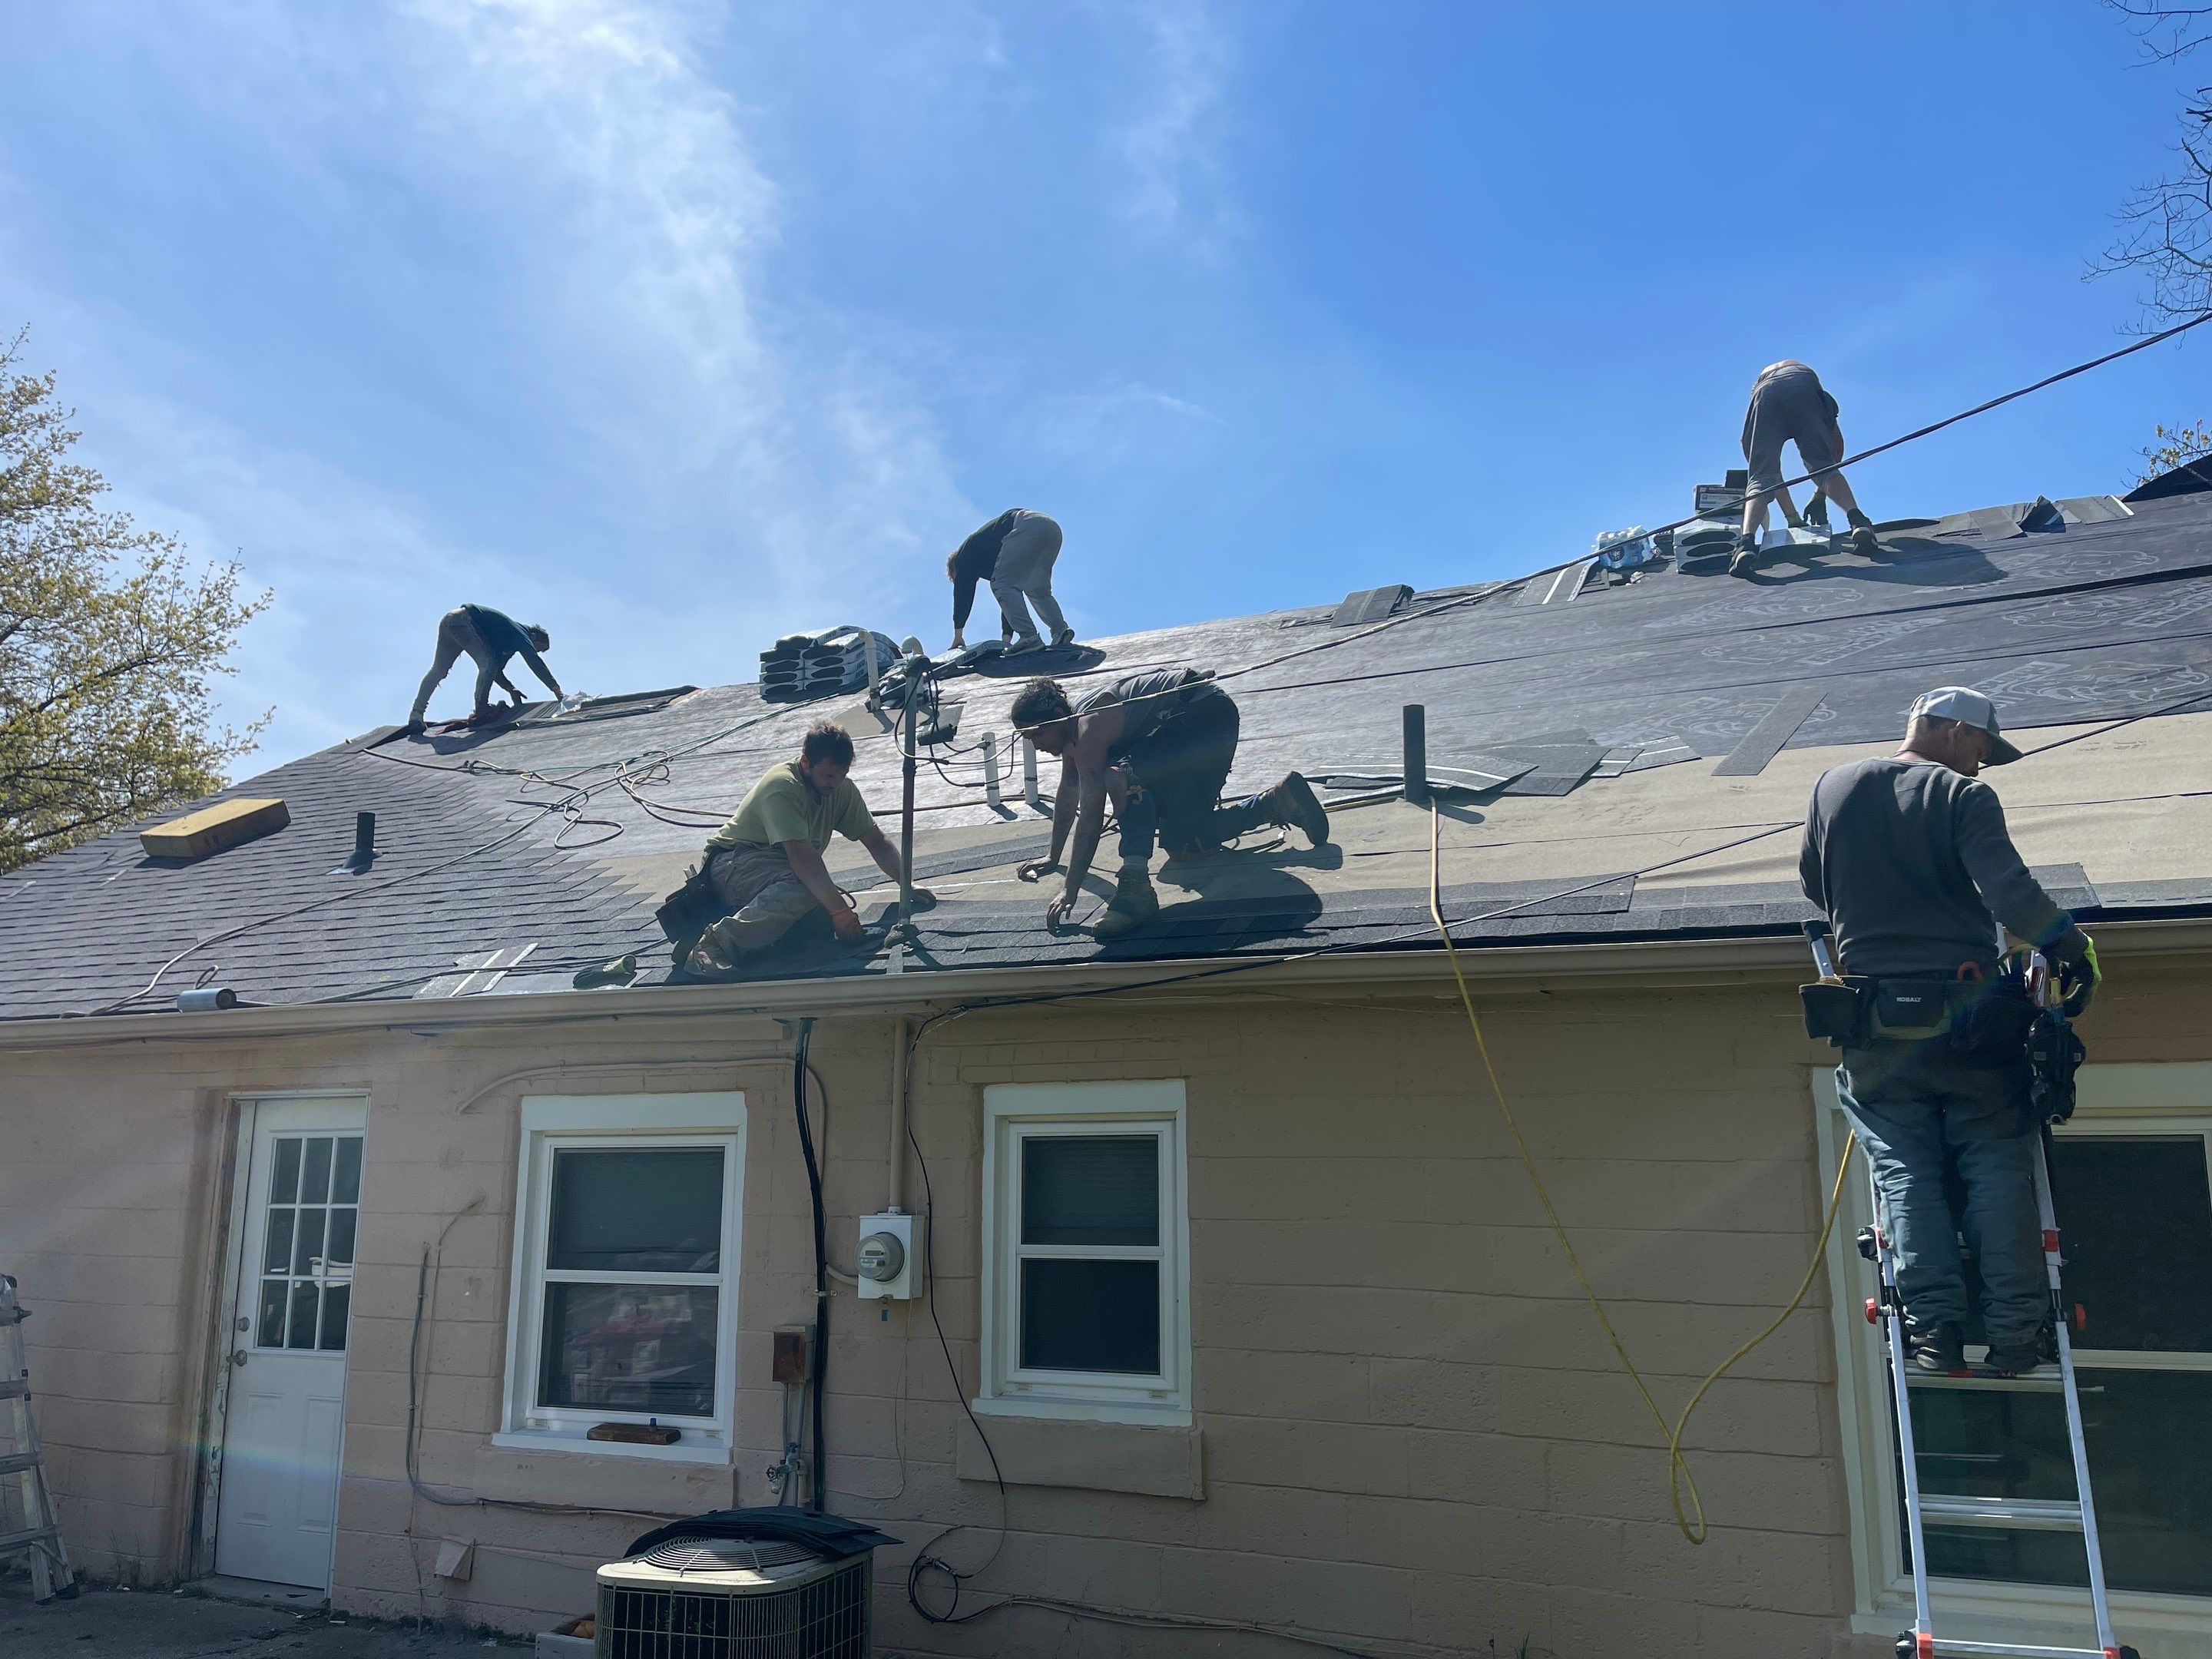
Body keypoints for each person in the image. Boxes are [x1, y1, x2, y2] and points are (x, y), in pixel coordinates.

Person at [1800, 687, 2101, 1376]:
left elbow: (1816, 885)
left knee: (1905, 1170)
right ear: (1956, 730)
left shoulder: (1833, 787)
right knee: (1994, 1161)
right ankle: (2017, 1336)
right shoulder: (1963, 798)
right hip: (1968, 1023)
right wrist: (2073, 951)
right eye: (1982, 750)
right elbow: (2010, 893)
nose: (1981, 766)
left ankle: (1932, 1332)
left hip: (1875, 1025)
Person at [1009, 669, 1331, 940]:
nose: (1035, 746)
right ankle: (1277, 802)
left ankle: (1135, 889)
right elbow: (1069, 790)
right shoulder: (1074, 735)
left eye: (1033, 736)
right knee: (1183, 846)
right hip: (1205, 733)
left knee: (1122, 777)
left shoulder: (1088, 726)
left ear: (1055, 717)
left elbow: (1091, 814)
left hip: (1201, 717)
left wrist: (1071, 888)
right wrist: (1053, 856)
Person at [684, 722, 929, 975]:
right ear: (805, 763)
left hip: (777, 869)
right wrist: (840, 911)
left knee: (818, 925)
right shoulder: (782, 787)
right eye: (828, 775)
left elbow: (876, 842)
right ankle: (711, 946)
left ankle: (757, 941)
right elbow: (802, 858)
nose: (834, 784)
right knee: (809, 891)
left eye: (841, 775)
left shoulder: (840, 789)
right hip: (731, 867)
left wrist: (906, 884)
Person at [1733, 360, 1881, 576]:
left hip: (1764, 391)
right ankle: (1858, 521)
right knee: (1825, 467)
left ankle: (1745, 544)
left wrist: (1793, 516)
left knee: (1759, 478)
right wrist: (1819, 495)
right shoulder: (1817, 395)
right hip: (1801, 379)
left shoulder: (1755, 419)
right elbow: (1835, 450)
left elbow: (1767, 478)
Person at [406, 604, 562, 732]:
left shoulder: (507, 639)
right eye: (537, 648)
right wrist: (555, 688)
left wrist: (509, 688)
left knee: (438, 671)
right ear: (534, 637)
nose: (534, 650)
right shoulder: (521, 634)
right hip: (465, 621)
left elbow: (495, 672)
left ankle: (416, 714)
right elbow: (535, 662)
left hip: (451, 620)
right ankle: (481, 708)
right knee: (487, 663)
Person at [948, 508, 1071, 653]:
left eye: (956, 578)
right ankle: (1060, 631)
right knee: (1037, 589)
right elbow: (1010, 597)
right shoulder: (990, 556)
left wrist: (958, 634)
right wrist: (1006, 639)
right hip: (1050, 528)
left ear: (955, 568)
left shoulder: (964, 556)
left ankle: (1029, 637)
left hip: (1025, 527)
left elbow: (963, 591)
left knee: (1001, 584)